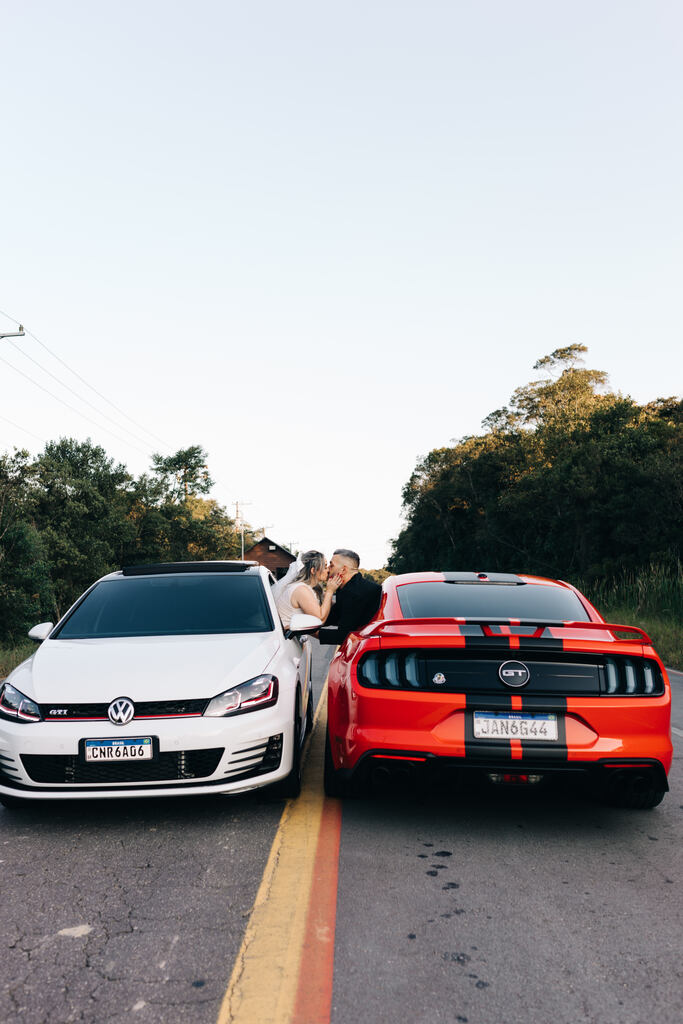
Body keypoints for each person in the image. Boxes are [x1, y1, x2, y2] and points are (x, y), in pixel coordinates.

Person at [319, 548, 382, 645]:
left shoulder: (355, 593)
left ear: (343, 570)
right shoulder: (347, 587)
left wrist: (307, 631)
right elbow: (334, 616)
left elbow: (343, 637)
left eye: (331, 565)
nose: (328, 569)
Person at [274, 550, 342, 629]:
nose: (328, 570)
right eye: (325, 567)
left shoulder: (312, 588)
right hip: (285, 639)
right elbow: (320, 619)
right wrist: (330, 591)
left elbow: (333, 607)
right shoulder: (301, 590)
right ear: (313, 570)